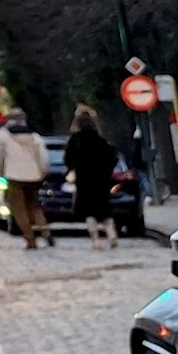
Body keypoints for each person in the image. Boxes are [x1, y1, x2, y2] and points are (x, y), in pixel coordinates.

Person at [0, 108, 51, 250]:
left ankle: (30, 239)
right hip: (34, 176)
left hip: (14, 176)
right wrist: (42, 171)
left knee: (19, 209)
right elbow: (44, 157)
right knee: (34, 205)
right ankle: (45, 230)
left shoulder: (2, 136)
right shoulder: (35, 136)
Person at [65, 104, 120, 250]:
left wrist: (74, 169)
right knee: (104, 208)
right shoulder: (101, 140)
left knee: (88, 211)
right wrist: (107, 172)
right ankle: (111, 233)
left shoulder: (75, 140)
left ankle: (96, 239)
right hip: (101, 179)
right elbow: (112, 157)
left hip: (84, 179)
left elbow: (68, 159)